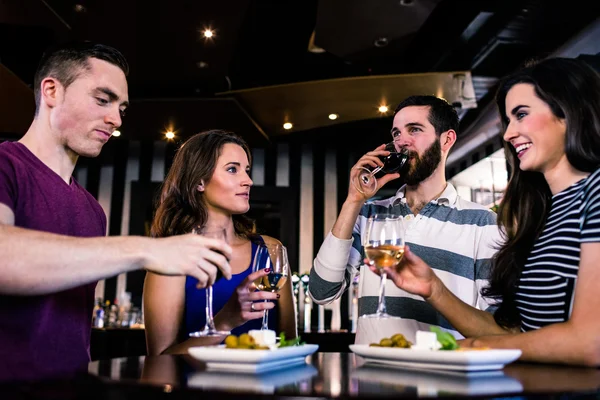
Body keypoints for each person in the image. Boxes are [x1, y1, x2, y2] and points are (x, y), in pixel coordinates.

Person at [0, 41, 232, 381]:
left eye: (121, 108)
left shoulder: (92, 210)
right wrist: (145, 249)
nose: (115, 119)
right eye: (102, 99)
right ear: (51, 90)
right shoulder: (6, 165)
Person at [372, 57, 600, 366]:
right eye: (508, 121)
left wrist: (470, 348)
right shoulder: (544, 212)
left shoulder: (595, 193)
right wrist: (434, 289)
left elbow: (591, 342)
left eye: (521, 115)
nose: (507, 134)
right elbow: (513, 334)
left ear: (570, 113)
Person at [309, 95, 501, 344]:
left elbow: (496, 327)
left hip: (441, 378)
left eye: (415, 130)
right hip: (373, 374)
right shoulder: (369, 214)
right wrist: (354, 200)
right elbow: (321, 292)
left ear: (446, 139)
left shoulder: (484, 223)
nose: (401, 142)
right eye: (396, 133)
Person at [143, 130, 297, 355]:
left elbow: (289, 345)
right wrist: (224, 322)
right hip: (198, 389)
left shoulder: (270, 251)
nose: (248, 181)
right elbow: (158, 361)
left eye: (246, 170)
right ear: (199, 182)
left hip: (265, 389)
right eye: (232, 169)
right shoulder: (171, 259)